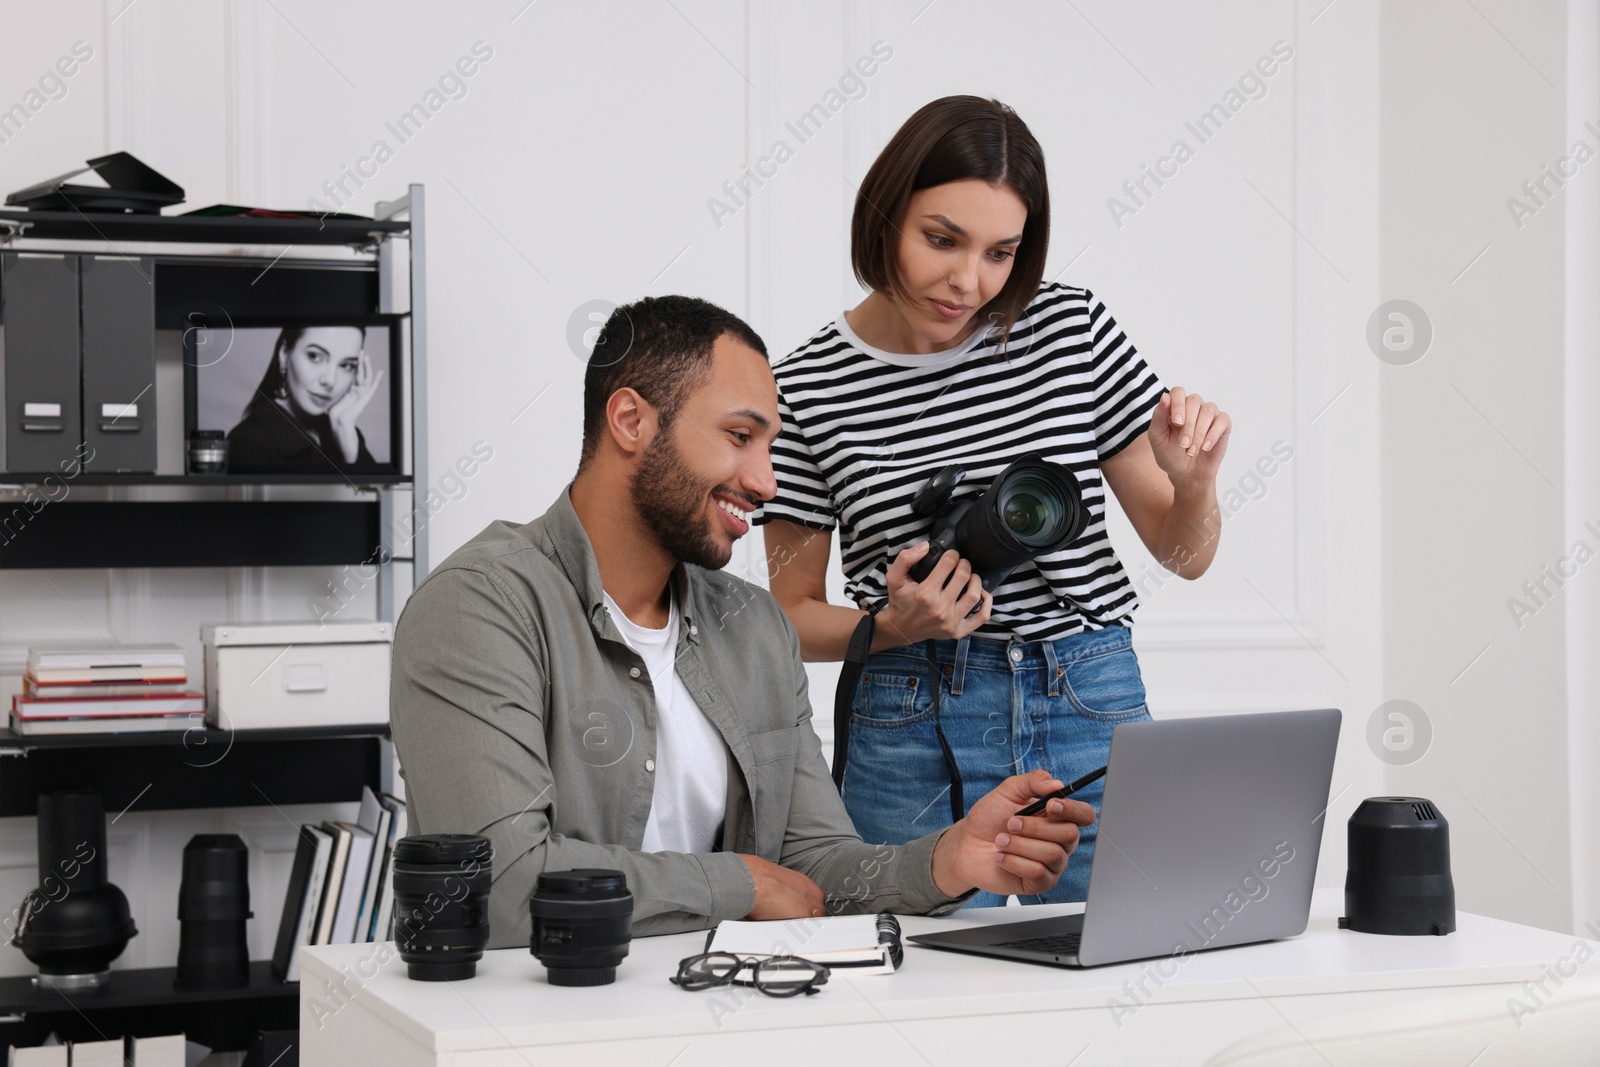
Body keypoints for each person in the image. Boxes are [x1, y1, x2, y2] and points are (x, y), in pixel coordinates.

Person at [388, 294, 1095, 946]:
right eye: (739, 435)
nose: (767, 481)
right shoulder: (480, 605)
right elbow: (502, 883)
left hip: (727, 1009)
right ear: (631, 420)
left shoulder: (755, 625)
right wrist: (741, 882)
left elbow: (815, 866)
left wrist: (951, 858)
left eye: (770, 444)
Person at [757, 96, 1233, 908]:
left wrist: (1194, 482)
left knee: (1129, 957)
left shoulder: (1071, 328)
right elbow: (789, 614)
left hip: (1087, 694)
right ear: (884, 214)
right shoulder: (803, 388)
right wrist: (891, 625)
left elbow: (1185, 557)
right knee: (909, 987)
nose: (967, 281)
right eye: (941, 239)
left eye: (1001, 252)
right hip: (909, 712)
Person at [226, 325, 383, 470]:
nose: (330, 380)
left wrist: (347, 434)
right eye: (315, 356)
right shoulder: (247, 443)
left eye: (346, 365)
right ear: (284, 354)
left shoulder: (345, 432)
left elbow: (379, 498)